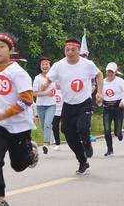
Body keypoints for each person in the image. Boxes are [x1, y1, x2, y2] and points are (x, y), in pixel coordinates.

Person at [0, 32, 38, 206]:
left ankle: (30, 153)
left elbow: (27, 100)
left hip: (20, 126)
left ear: (11, 50)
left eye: (2, 47)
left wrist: (5, 113)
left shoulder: (17, 72)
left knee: (18, 166)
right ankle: (1, 199)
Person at [45, 37, 103, 176]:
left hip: (84, 103)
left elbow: (99, 75)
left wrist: (99, 92)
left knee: (82, 128)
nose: (70, 52)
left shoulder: (87, 64)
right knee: (68, 133)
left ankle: (87, 143)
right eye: (67, 49)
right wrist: (45, 84)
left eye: (73, 50)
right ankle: (83, 161)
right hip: (68, 105)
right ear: (64, 50)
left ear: (79, 51)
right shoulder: (59, 65)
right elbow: (49, 77)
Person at [101, 62, 124, 156]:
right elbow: (100, 94)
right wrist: (99, 98)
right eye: (108, 71)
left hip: (118, 108)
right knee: (107, 130)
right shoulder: (103, 82)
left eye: (112, 71)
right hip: (107, 108)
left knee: (117, 131)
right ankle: (110, 150)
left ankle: (119, 133)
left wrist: (123, 102)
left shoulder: (120, 81)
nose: (110, 73)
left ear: (115, 72)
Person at [33, 58, 57, 155]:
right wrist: (46, 93)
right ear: (40, 67)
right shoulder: (37, 78)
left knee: (47, 123)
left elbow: (60, 86)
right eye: (43, 65)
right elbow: (34, 93)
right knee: (43, 126)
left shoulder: (54, 77)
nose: (45, 66)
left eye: (47, 64)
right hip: (40, 105)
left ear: (50, 66)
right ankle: (49, 136)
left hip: (51, 104)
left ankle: (45, 144)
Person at [52, 85, 63, 151]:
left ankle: (74, 141)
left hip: (64, 111)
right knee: (54, 126)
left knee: (65, 128)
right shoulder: (53, 90)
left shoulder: (64, 90)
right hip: (55, 111)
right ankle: (57, 143)